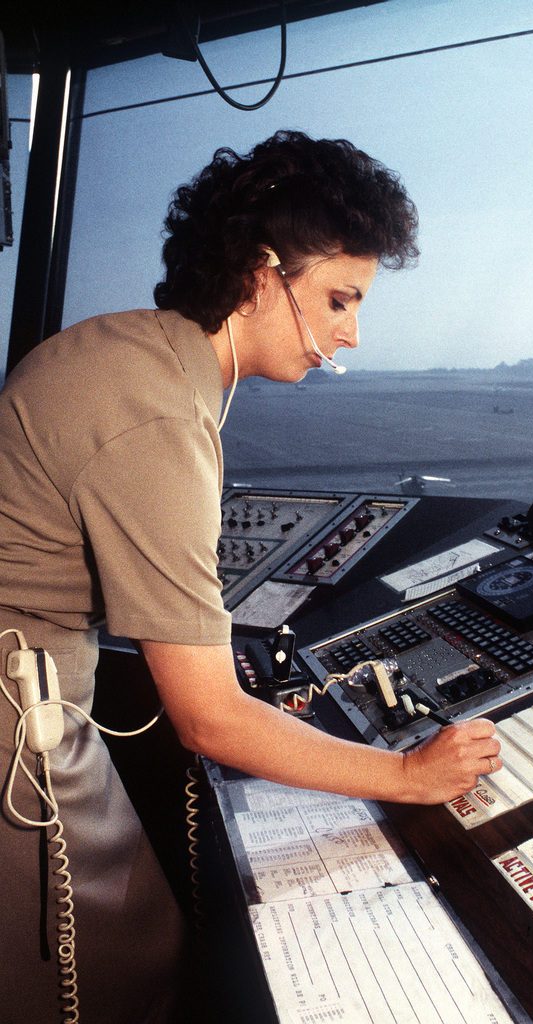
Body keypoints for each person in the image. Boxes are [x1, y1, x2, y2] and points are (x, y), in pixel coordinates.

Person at [0, 130, 501, 1023]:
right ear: (263, 274)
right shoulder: (156, 412)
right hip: (18, 725)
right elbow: (206, 716)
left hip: (44, 695)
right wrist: (411, 776)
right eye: (340, 299)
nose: (352, 332)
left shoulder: (133, 354)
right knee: (120, 979)